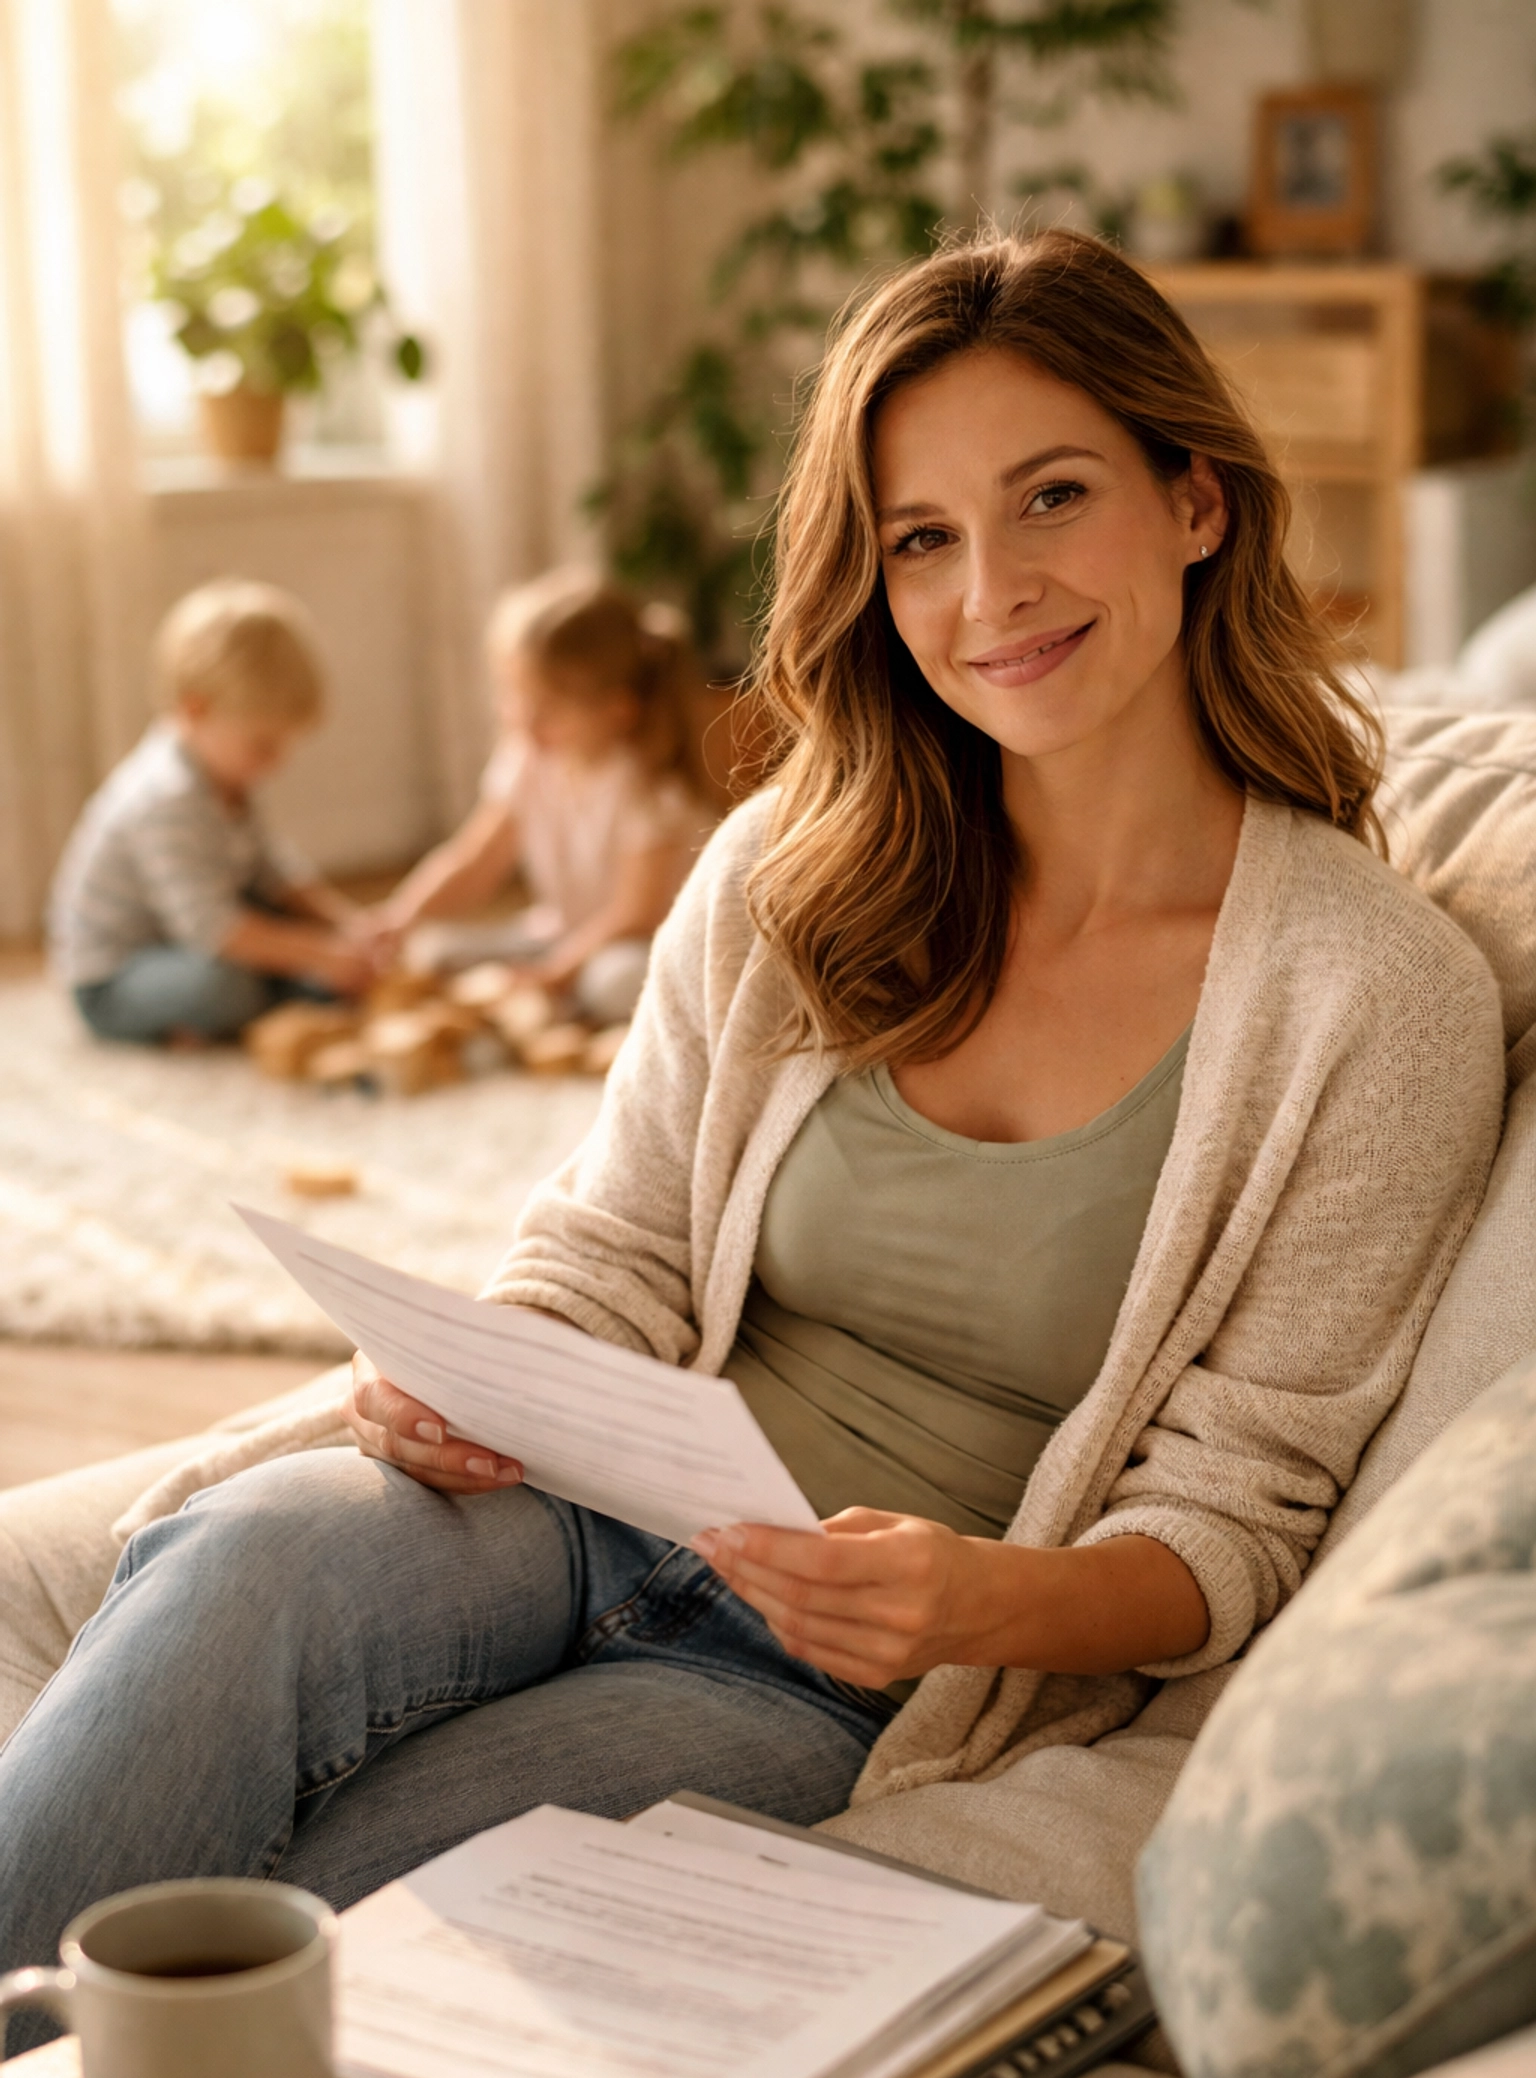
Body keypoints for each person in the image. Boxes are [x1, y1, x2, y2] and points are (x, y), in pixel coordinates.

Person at [0, 233, 1505, 1984]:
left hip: (829, 1673)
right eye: (921, 538)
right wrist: (476, 1370)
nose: (988, 591)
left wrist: (978, 1596)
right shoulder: (803, 867)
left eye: (1052, 496)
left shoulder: (1374, 998)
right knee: (252, 1547)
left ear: (1196, 500)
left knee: (354, 1905)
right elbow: (614, 1237)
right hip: (565, 1502)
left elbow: (1243, 1511)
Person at [375, 570, 721, 1024]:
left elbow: (637, 913)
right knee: (432, 951)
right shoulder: (528, 758)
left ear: (618, 710)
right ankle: (559, 998)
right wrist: (400, 917)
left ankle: (587, 1003)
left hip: (637, 945)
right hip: (560, 933)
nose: (523, 721)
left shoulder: (651, 786)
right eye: (512, 697)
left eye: (547, 709)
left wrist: (558, 971)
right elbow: (476, 860)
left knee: (617, 984)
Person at [48, 580, 384, 1044]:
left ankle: (287, 987)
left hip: (187, 940)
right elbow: (212, 928)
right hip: (117, 976)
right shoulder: (165, 798)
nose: (277, 762)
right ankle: (239, 1004)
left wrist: (344, 924)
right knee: (228, 988)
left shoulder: (228, 777)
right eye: (262, 745)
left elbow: (274, 873)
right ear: (196, 710)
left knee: (292, 949)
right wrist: (320, 956)